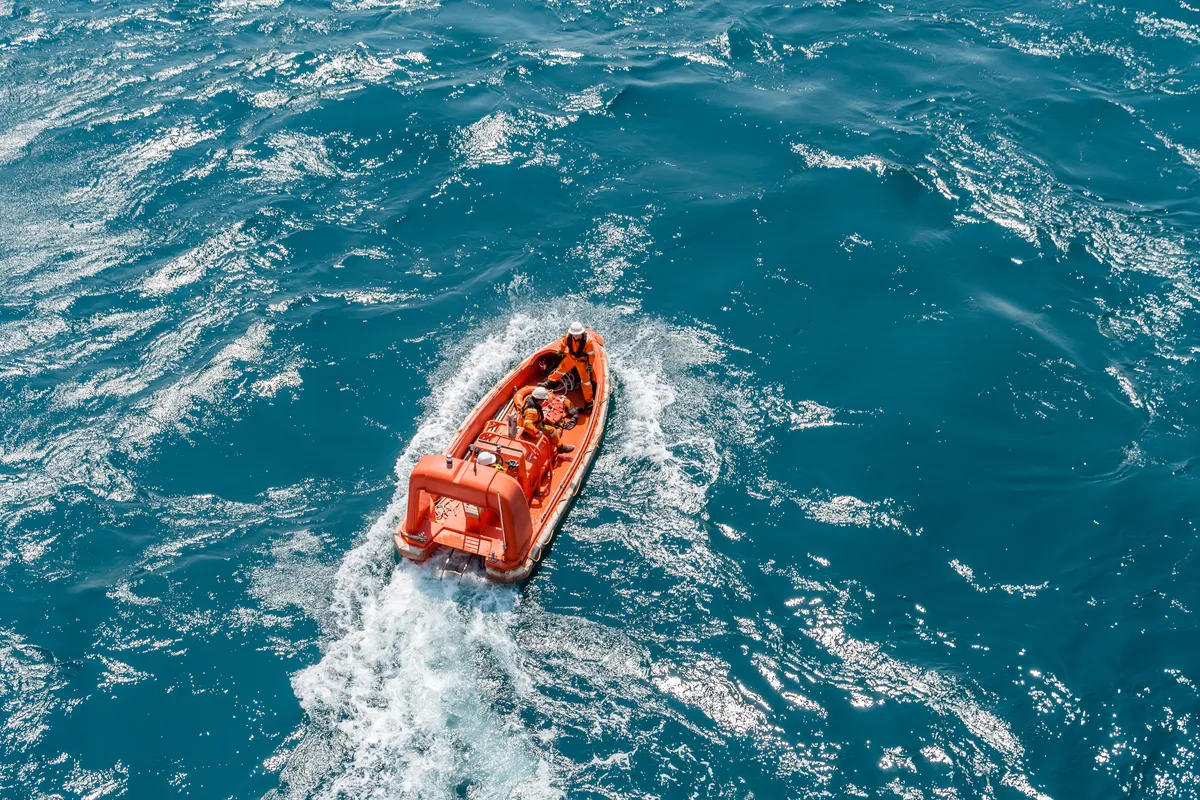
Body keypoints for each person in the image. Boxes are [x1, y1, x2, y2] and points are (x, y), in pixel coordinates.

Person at [545, 321, 600, 411]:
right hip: (570, 358)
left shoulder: (588, 342)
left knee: (586, 381)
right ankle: (550, 382)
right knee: (560, 369)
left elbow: (591, 355)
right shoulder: (568, 337)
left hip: (582, 361)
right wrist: (561, 351)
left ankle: (589, 401)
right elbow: (563, 344)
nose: (576, 336)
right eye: (574, 334)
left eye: (577, 334)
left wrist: (590, 365)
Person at [517, 385, 576, 453]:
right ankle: (560, 447)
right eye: (543, 400)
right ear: (538, 399)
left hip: (531, 424)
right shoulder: (532, 412)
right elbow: (527, 424)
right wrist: (537, 431)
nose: (543, 401)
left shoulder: (528, 400)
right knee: (552, 430)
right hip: (535, 428)